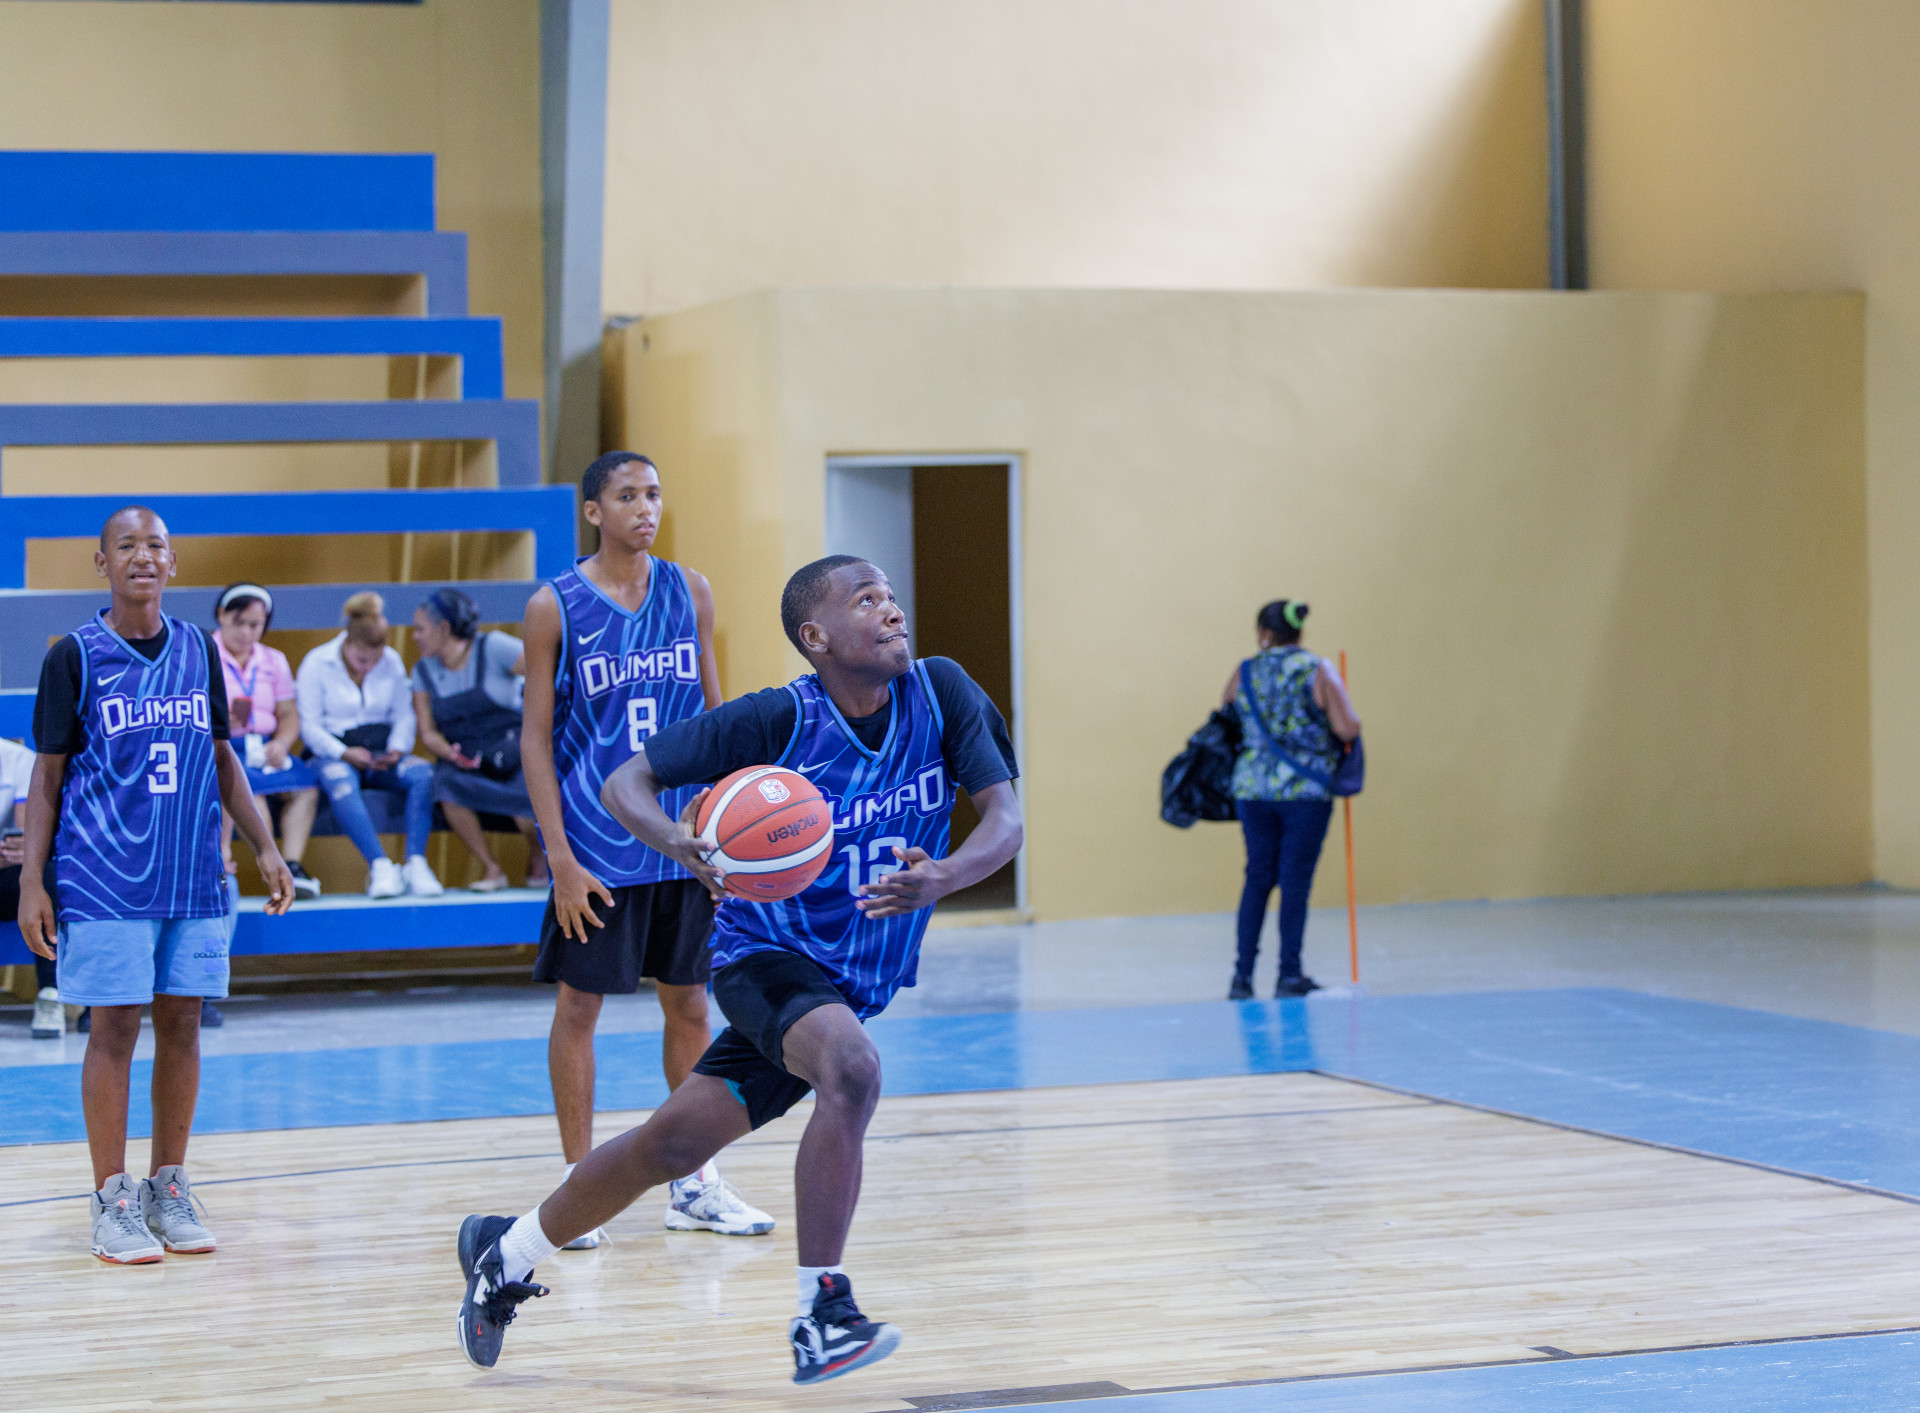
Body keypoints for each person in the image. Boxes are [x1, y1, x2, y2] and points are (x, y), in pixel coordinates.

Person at [453, 554, 1024, 1386]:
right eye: (868, 599)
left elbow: (1005, 819)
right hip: (766, 959)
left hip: (850, 981)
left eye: (892, 595)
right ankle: (821, 1313)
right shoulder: (775, 718)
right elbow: (627, 781)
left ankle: (503, 1252)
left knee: (670, 1145)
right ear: (815, 636)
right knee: (853, 1069)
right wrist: (678, 842)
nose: (893, 610)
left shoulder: (942, 692)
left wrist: (945, 873)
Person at [14, 505, 294, 1264]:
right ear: (101, 562)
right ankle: (111, 1198)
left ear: (174, 562)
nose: (143, 555)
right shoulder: (74, 656)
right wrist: (33, 880)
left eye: (156, 545)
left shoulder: (200, 649)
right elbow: (47, 777)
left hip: (193, 873)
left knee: (183, 1024)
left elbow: (223, 756)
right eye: (127, 545)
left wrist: (266, 846)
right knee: (113, 1029)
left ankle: (167, 1187)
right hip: (105, 876)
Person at [520, 451, 769, 1245]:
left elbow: (715, 714)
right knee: (580, 1007)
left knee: (691, 1003)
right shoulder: (553, 606)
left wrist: (726, 824)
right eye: (627, 495)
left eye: (654, 493)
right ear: (594, 510)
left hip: (684, 843)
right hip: (596, 848)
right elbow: (533, 740)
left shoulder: (689, 589)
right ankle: (576, 1187)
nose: (645, 508)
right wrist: (558, 856)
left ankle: (695, 1182)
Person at [1221, 599, 1360, 1000]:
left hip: (1253, 791)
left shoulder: (1245, 671)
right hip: (1306, 793)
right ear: (1298, 631)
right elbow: (1347, 727)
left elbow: (1225, 713)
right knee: (1295, 880)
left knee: (1257, 877)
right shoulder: (1318, 670)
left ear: (1264, 633)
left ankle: (1242, 977)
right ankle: (1289, 974)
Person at [296, 591, 442, 899]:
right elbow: (309, 726)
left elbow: (404, 714)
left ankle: (416, 863)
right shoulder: (317, 663)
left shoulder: (391, 661)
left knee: (424, 774)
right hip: (334, 752)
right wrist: (343, 752)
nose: (369, 667)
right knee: (340, 779)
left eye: (376, 661)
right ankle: (380, 866)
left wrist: (397, 749)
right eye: (362, 660)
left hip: (381, 752)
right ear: (347, 643)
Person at [410, 588, 549, 891]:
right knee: (445, 785)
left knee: (529, 785)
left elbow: (546, 673)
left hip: (512, 749)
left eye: (420, 629)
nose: (415, 637)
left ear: (443, 628)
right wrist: (448, 752)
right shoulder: (422, 671)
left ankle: (538, 855)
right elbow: (428, 732)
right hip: (464, 758)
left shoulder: (494, 646)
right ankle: (491, 867)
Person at [212, 583, 322, 902]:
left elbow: (288, 714)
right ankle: (270, 870)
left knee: (306, 788)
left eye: (255, 625)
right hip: (222, 746)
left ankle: (292, 865)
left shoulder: (274, 660)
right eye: (239, 622)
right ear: (221, 615)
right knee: (249, 791)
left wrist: (282, 743)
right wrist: (217, 723)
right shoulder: (204, 653)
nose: (246, 632)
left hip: (264, 748)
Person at [0, 733, 60, 1037]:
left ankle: (51, 994)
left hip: (7, 877)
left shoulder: (18, 760)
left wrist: (25, 848)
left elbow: (27, 833)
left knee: (44, 876)